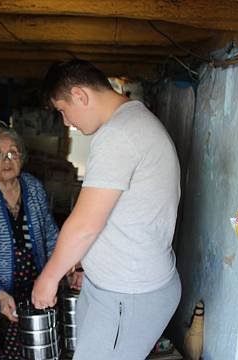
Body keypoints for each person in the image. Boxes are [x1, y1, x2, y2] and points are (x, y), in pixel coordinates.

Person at [32, 59, 182, 360]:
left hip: (128, 294)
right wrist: (90, 263)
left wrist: (49, 277)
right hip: (120, 288)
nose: (66, 122)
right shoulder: (133, 122)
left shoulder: (118, 135)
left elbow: (86, 224)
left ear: (80, 95)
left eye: (62, 110)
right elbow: (121, 214)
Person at [0, 123, 59, 359]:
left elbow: (50, 233)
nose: (6, 160)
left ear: (21, 156)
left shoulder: (34, 188)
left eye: (12, 153)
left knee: (25, 350)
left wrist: (65, 267)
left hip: (31, 288)